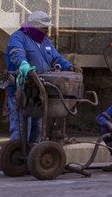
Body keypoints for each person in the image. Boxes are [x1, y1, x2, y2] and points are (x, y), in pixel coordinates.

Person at [5, 10, 74, 143]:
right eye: (44, 27)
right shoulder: (17, 37)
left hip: (40, 92)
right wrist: (23, 63)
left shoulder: (46, 42)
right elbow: (16, 52)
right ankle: (18, 157)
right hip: (22, 91)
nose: (47, 30)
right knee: (22, 128)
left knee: (38, 127)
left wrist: (69, 66)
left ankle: (32, 159)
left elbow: (56, 59)